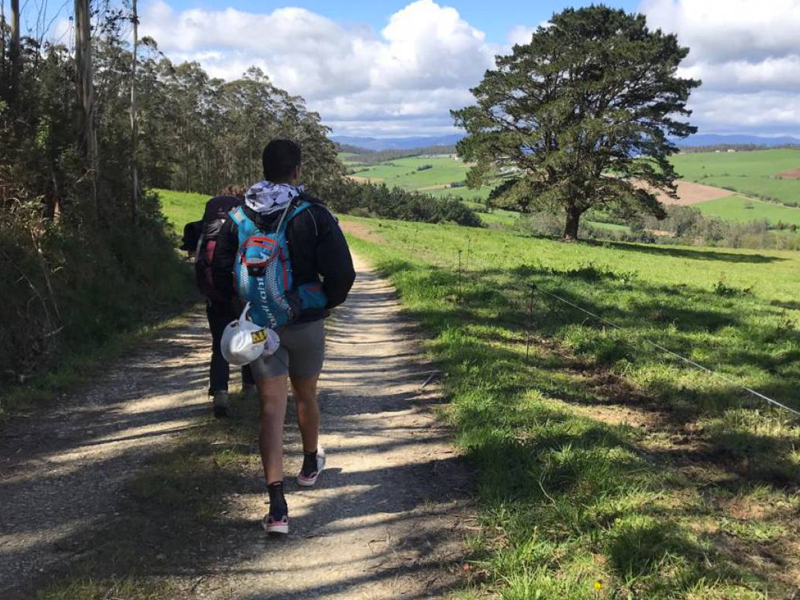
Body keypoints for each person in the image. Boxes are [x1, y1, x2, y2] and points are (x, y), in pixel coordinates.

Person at [214, 139, 356, 535]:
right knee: (306, 396)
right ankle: (310, 463)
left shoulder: (240, 215)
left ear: (264, 168)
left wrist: (240, 311)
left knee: (271, 410)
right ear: (297, 170)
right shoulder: (312, 214)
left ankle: (277, 508)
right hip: (305, 321)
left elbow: (220, 270)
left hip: (261, 328)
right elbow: (343, 273)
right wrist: (322, 302)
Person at [196, 185, 258, 417]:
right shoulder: (244, 225)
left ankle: (220, 393)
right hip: (241, 293)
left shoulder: (207, 227)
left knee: (218, 345)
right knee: (249, 336)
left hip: (215, 296)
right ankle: (250, 387)